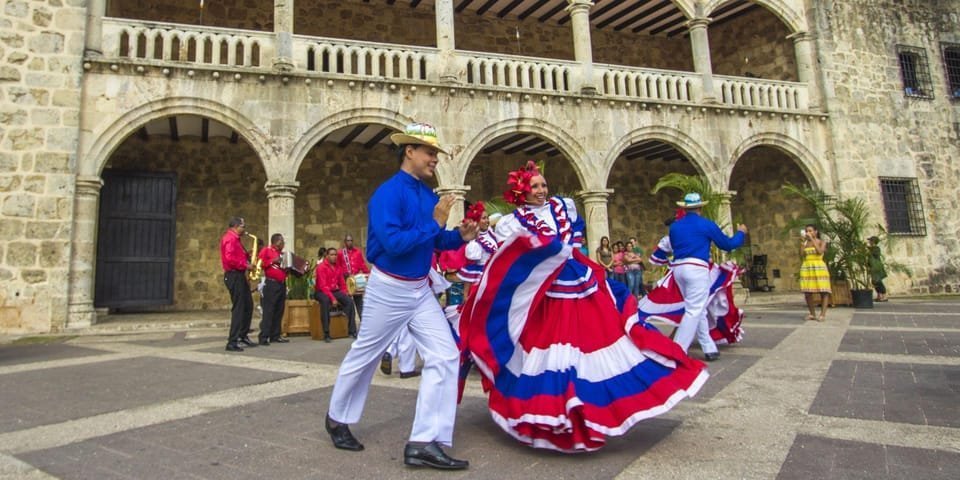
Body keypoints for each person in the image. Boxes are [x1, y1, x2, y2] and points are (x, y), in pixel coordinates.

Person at [457, 161, 708, 452]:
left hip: (580, 284)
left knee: (595, 342)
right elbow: (481, 250)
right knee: (551, 352)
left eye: (543, 185)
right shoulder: (513, 223)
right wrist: (475, 239)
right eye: (534, 187)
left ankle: (589, 407)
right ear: (521, 192)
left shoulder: (563, 207)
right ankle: (556, 411)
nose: (541, 191)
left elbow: (573, 237)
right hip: (547, 296)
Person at [324, 122, 478, 470]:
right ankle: (337, 417)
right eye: (429, 152)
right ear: (409, 151)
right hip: (388, 288)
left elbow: (434, 242)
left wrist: (460, 236)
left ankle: (424, 441)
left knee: (445, 355)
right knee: (365, 353)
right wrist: (436, 224)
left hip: (420, 289)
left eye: (436, 153)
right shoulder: (388, 194)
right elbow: (392, 244)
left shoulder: (427, 196)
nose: (435, 159)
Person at [669, 193, 748, 361]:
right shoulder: (706, 224)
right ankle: (677, 350)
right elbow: (727, 244)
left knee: (699, 308)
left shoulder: (675, 227)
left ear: (685, 208)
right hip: (696, 268)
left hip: (679, 268)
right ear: (700, 207)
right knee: (694, 310)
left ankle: (708, 347)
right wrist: (741, 234)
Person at [219, 216, 258, 352]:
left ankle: (242, 336)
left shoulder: (236, 240)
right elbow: (230, 259)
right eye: (243, 226)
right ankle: (232, 341)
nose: (244, 229)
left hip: (239, 275)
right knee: (239, 308)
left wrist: (248, 255)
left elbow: (236, 256)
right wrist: (246, 265)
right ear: (236, 226)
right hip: (234, 275)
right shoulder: (230, 239)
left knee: (248, 305)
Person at [315, 247, 357, 342]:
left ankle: (352, 331)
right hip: (321, 292)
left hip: (334, 290)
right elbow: (323, 286)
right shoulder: (321, 267)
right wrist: (332, 298)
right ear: (327, 256)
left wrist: (346, 293)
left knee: (349, 301)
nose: (334, 257)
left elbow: (342, 283)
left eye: (335, 255)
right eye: (332, 255)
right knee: (325, 301)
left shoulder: (338, 267)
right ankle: (326, 333)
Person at [257, 233, 290, 346]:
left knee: (279, 311)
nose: (284, 244)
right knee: (269, 311)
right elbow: (259, 264)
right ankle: (264, 336)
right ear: (277, 242)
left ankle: (275, 335)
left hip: (281, 284)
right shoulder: (266, 250)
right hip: (271, 284)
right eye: (282, 242)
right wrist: (272, 261)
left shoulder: (282, 254)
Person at [800, 224, 831, 321]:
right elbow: (801, 254)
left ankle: (822, 314)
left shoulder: (822, 242)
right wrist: (802, 243)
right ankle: (812, 314)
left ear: (815, 232)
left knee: (823, 291)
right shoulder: (805, 243)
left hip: (819, 267)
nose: (808, 233)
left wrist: (813, 240)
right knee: (808, 292)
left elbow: (820, 251)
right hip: (807, 267)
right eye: (806, 231)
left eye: (810, 231)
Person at [337, 234, 370, 315]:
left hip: (356, 280)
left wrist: (369, 274)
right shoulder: (341, 253)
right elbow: (338, 267)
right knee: (348, 303)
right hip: (345, 280)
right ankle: (350, 324)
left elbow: (362, 264)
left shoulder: (358, 252)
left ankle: (362, 324)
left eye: (351, 240)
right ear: (345, 242)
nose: (350, 242)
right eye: (348, 241)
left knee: (359, 303)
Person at [868, 236, 888, 302]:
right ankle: (879, 295)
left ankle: (884, 295)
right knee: (874, 282)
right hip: (872, 267)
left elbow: (875, 254)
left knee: (878, 281)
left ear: (873, 241)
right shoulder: (871, 248)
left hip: (876, 267)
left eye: (870, 241)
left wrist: (869, 250)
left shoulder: (876, 248)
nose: (869, 242)